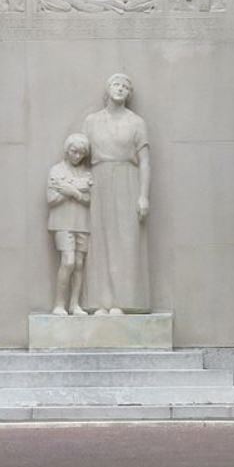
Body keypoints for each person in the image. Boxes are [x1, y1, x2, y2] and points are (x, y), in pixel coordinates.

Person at [83, 73, 150, 315]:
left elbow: (144, 162)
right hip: (98, 180)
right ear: (108, 89)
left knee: (126, 241)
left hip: (127, 179)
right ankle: (102, 302)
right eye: (116, 84)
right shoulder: (91, 121)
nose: (120, 89)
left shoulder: (136, 122)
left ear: (129, 94)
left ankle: (124, 301)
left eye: (125, 86)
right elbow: (80, 156)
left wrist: (143, 195)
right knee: (99, 241)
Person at [47, 133, 93, 316]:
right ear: (67, 151)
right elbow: (51, 199)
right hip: (62, 223)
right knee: (68, 261)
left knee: (79, 264)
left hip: (82, 222)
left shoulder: (86, 173)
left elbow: (89, 199)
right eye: (74, 152)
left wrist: (70, 190)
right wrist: (77, 188)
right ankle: (59, 304)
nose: (77, 156)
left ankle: (75, 304)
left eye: (81, 153)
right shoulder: (56, 171)